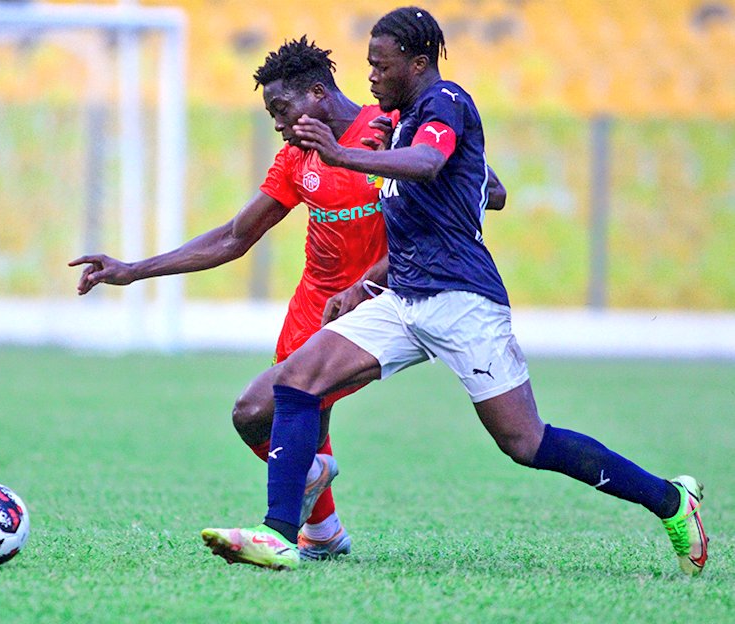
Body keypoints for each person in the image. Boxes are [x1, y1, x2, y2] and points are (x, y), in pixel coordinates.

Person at [200, 7, 708, 576]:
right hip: (402, 298)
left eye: (380, 65)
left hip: (462, 299)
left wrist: (346, 155)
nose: (370, 76)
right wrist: (368, 277)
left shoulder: (446, 102)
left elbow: (432, 162)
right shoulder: (397, 122)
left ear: (417, 63)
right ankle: (279, 534)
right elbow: (450, 190)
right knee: (296, 379)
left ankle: (670, 500)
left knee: (525, 442)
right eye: (369, 64)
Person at [71, 36, 508, 561]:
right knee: (278, 420)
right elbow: (234, 237)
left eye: (281, 109)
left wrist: (388, 239)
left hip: (373, 305)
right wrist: (134, 270)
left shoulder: (391, 125)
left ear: (318, 94)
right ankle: (323, 533)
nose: (277, 123)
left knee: (267, 408)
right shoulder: (297, 158)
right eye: (271, 114)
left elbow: (488, 189)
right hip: (312, 307)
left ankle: (298, 511)